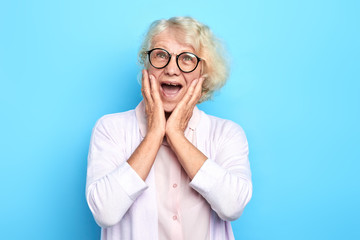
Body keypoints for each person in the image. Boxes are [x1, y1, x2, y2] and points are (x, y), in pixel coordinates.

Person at [86, 16, 252, 240]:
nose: (171, 69)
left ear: (203, 73)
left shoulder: (227, 133)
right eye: (161, 55)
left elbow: (232, 207)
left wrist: (176, 135)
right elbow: (105, 212)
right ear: (148, 66)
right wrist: (154, 134)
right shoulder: (111, 128)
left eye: (186, 58)